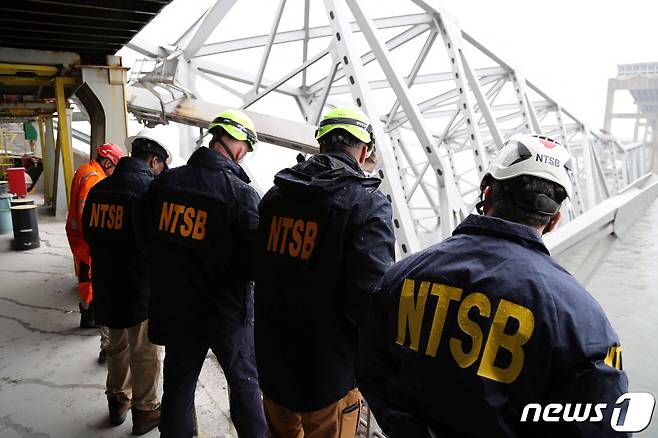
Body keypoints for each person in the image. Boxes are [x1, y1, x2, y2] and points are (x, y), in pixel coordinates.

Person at [357, 134, 629, 437]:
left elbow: (370, 371)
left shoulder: (402, 276)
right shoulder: (582, 318)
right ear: (554, 221)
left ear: (486, 192)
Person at [254, 106, 396, 437]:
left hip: (273, 362)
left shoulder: (275, 197)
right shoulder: (366, 203)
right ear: (363, 152)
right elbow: (368, 301)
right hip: (329, 373)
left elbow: (257, 266)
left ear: (321, 145)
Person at [141, 110, 267, 437]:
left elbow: (144, 235)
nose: (245, 153)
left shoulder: (166, 182)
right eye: (246, 146)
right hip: (226, 312)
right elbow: (256, 263)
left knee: (179, 389)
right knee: (245, 385)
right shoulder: (241, 194)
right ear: (236, 144)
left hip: (178, 307)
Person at [82, 128, 171, 435]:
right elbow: (157, 244)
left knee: (116, 346)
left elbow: (88, 233)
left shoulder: (99, 190)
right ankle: (145, 410)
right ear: (155, 161)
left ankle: (118, 401)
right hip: (140, 285)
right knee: (144, 349)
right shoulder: (150, 191)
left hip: (106, 282)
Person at [65, 143, 123, 361]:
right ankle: (94, 321)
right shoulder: (94, 178)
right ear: (107, 162)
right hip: (87, 241)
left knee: (86, 279)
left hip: (80, 238)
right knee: (93, 283)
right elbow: (86, 215)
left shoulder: (86, 170)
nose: (114, 172)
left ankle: (88, 316)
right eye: (114, 167)